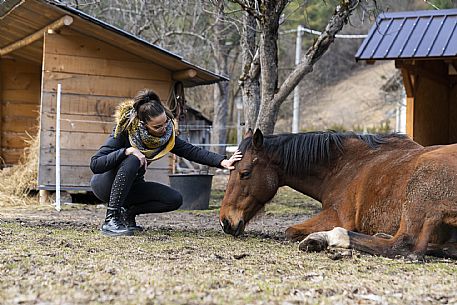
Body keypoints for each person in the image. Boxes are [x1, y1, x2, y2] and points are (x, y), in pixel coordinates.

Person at [90, 89, 242, 236]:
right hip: (105, 185)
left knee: (174, 199)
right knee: (132, 159)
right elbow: (96, 164)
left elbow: (191, 151)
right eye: (157, 126)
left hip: (131, 188)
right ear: (143, 124)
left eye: (165, 123)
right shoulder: (124, 131)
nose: (164, 129)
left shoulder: (165, 137)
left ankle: (127, 214)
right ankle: (111, 219)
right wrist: (127, 151)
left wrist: (222, 161)